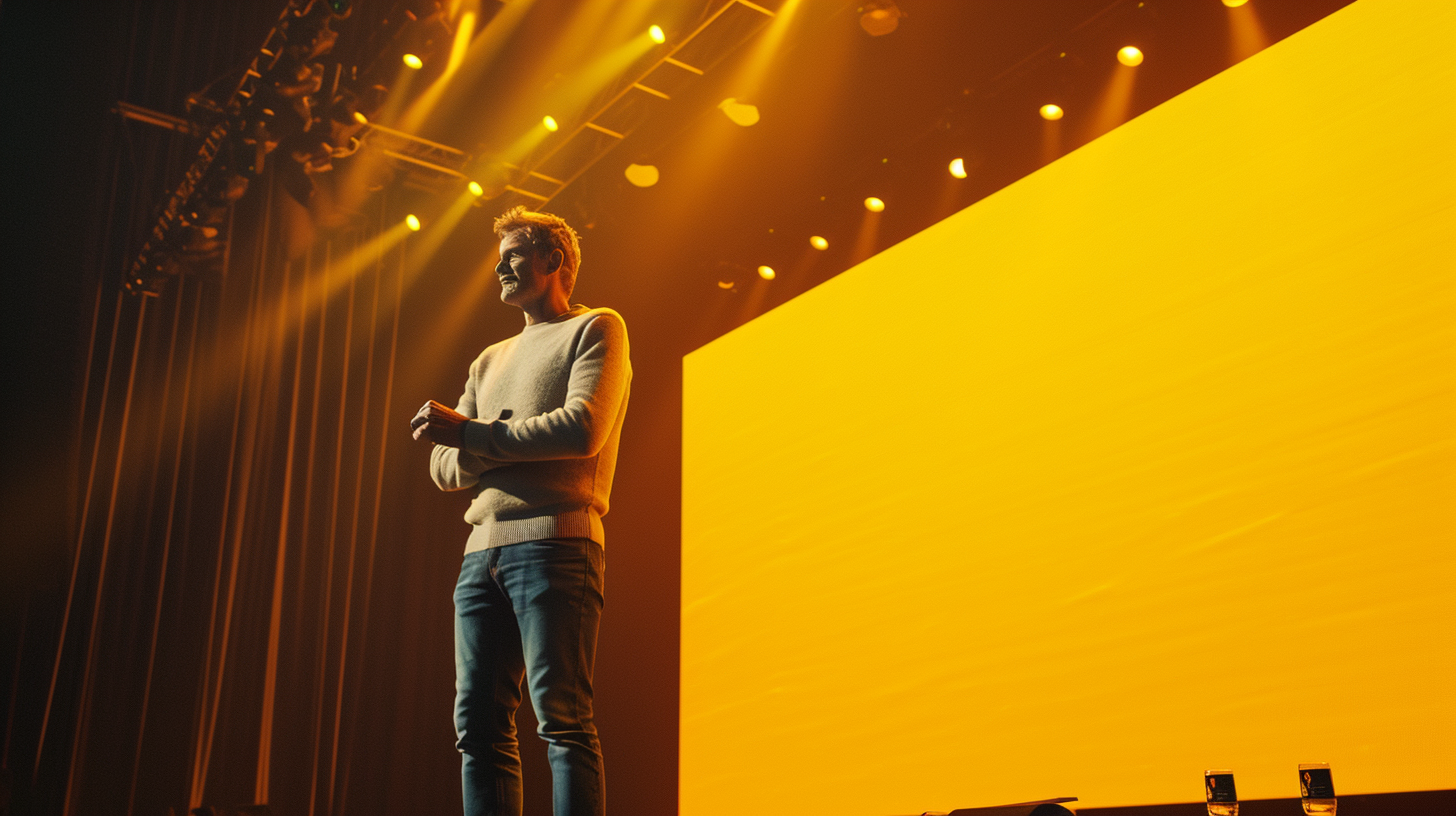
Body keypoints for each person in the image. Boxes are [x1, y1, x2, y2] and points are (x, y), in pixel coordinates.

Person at [410, 206, 630, 816]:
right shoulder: (488, 358)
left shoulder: (598, 328)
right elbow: (442, 470)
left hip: (558, 544)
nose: (500, 270)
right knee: (477, 729)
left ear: (553, 259)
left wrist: (476, 436)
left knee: (562, 719)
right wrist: (488, 441)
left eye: (512, 256)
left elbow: (581, 429)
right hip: (479, 557)